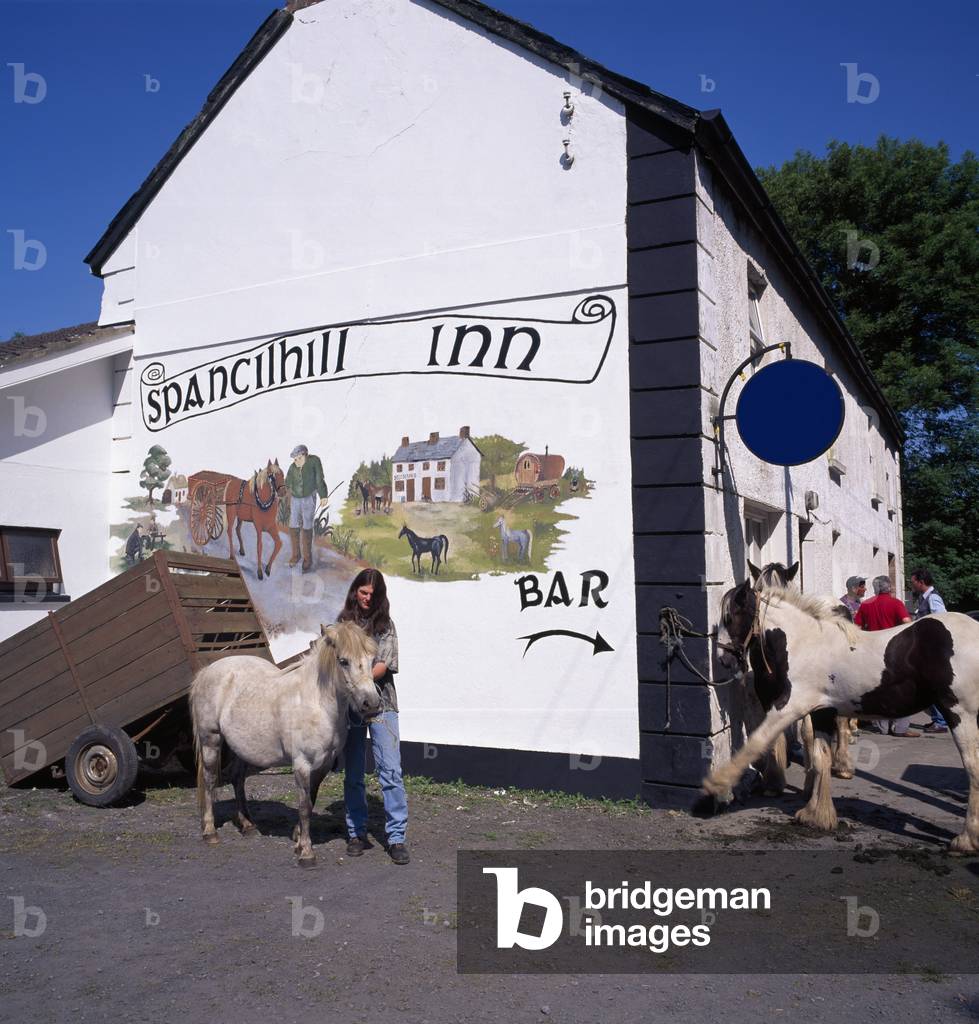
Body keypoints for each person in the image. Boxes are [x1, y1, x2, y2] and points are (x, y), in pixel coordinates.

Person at [337, 568, 410, 865]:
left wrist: (360, 674)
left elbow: (386, 664)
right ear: (355, 591)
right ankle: (356, 833)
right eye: (363, 592)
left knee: (390, 772)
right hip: (351, 707)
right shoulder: (343, 624)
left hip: (382, 705)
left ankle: (396, 838)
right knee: (353, 772)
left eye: (372, 594)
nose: (367, 598)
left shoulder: (385, 625)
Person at [855, 576, 917, 736]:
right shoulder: (896, 603)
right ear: (889, 587)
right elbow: (907, 623)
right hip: (895, 652)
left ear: (876, 588)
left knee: (879, 688)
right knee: (902, 688)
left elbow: (856, 627)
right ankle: (900, 728)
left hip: (872, 651)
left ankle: (882, 727)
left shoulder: (866, 604)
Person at [910, 568, 949, 733]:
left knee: (932, 686)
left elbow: (942, 620)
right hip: (926, 650)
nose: (912, 586)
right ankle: (937, 719)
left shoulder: (933, 598)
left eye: (913, 582)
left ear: (921, 582)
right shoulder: (924, 598)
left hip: (932, 651)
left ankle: (940, 721)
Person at [285, 444, 327, 573]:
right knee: (293, 524)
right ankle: (296, 555)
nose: (296, 461)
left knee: (307, 525)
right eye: (294, 459)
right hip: (295, 499)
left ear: (304, 455)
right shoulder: (292, 468)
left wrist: (323, 495)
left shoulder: (314, 462)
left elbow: (320, 479)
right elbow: (287, 483)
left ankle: (307, 558)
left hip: (309, 497)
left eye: (298, 458)